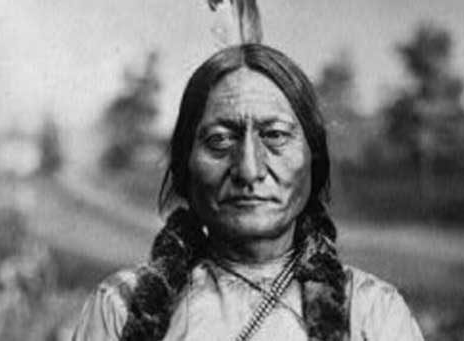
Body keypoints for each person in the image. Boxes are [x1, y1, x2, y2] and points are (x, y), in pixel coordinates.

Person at [72, 44, 424, 341]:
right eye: (220, 140)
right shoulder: (121, 307)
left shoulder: (371, 314)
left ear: (312, 159)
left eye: (274, 136)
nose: (249, 169)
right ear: (185, 166)